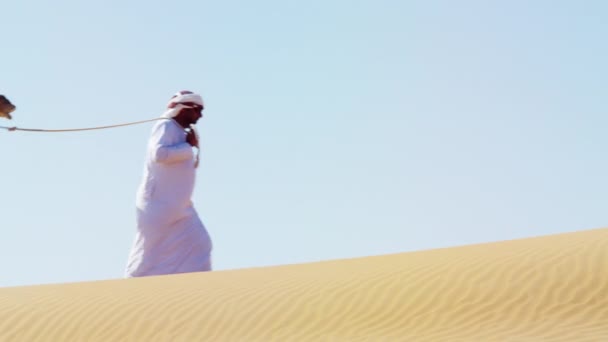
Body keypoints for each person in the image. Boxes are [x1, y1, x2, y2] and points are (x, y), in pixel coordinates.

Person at [125, 90, 212, 277]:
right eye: (198, 110)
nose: (201, 115)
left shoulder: (179, 131)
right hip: (158, 205)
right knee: (148, 253)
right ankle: (131, 288)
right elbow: (159, 154)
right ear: (185, 109)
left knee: (200, 244)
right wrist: (188, 146)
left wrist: (189, 145)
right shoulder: (165, 126)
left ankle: (197, 291)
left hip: (181, 209)